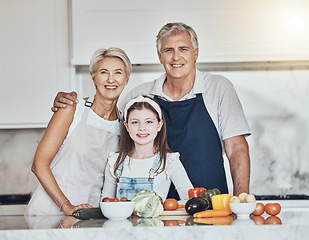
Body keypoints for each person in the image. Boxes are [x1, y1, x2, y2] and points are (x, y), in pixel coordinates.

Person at [52, 22, 251, 199]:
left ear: (195, 53)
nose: (176, 57)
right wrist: (75, 103)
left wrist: (242, 201)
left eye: (183, 49)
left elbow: (236, 149)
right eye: (168, 50)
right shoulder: (139, 94)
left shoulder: (219, 88)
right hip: (153, 213)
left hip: (211, 206)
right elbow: (106, 117)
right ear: (159, 56)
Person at [26, 47, 132, 215]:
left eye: (118, 73)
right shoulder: (72, 109)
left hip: (90, 215)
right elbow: (39, 164)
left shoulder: (125, 125)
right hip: (49, 212)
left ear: (126, 79)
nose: (111, 79)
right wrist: (66, 206)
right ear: (93, 77)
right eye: (104, 72)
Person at [101, 95, 193, 201]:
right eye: (135, 122)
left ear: (159, 125)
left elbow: (189, 200)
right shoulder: (114, 161)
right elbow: (106, 202)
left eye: (149, 122)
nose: (142, 128)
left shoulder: (169, 161)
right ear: (127, 126)